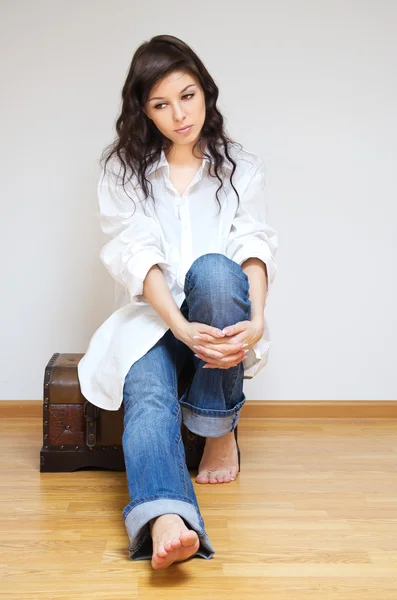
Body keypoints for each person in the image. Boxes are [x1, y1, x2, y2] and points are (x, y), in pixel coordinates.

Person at [77, 34, 278, 570]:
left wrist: (257, 320)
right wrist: (179, 328)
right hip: (155, 319)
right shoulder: (123, 171)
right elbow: (135, 255)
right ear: (143, 112)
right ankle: (166, 516)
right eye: (160, 105)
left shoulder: (241, 165)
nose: (179, 114)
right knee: (146, 392)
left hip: (222, 320)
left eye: (187, 96)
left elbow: (251, 244)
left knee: (213, 271)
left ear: (205, 91)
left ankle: (217, 430)